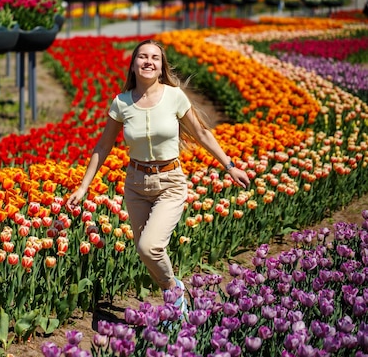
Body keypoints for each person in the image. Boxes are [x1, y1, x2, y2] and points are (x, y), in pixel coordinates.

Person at [66, 40, 250, 313]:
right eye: (142, 56)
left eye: (155, 57)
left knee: (149, 246)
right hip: (136, 185)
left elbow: (201, 134)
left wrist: (229, 165)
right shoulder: (121, 103)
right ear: (133, 64)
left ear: (162, 66)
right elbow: (103, 147)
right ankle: (174, 300)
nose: (148, 61)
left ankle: (174, 292)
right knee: (146, 252)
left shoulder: (174, 96)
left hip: (170, 182)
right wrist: (83, 188)